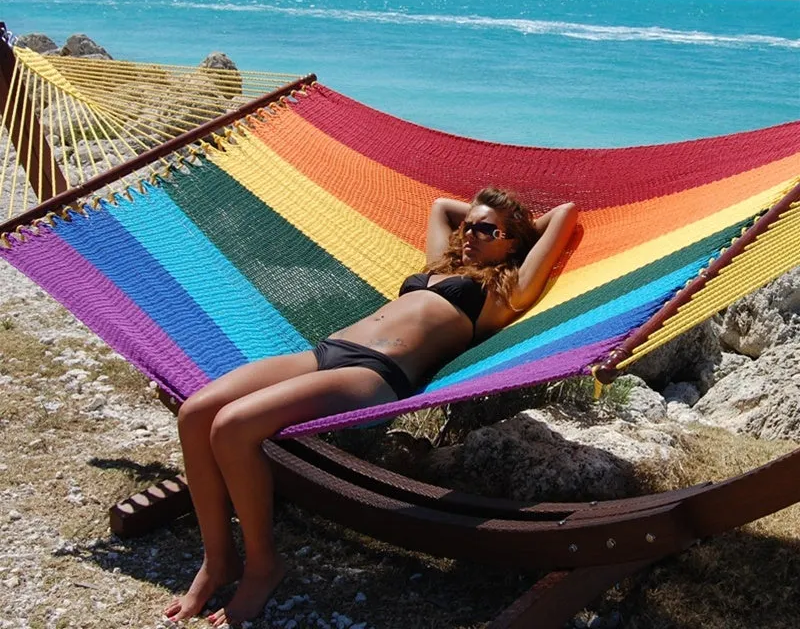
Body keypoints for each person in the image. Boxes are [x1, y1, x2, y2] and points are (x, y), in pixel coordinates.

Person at [164, 187, 578, 626]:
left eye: (486, 230)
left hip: (375, 375)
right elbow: (441, 207)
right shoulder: (442, 267)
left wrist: (517, 224)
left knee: (232, 426)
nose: (470, 234)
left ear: (512, 243)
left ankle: (264, 567)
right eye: (469, 226)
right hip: (328, 351)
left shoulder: (504, 291)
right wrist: (486, 219)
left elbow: (565, 214)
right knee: (196, 412)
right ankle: (218, 560)